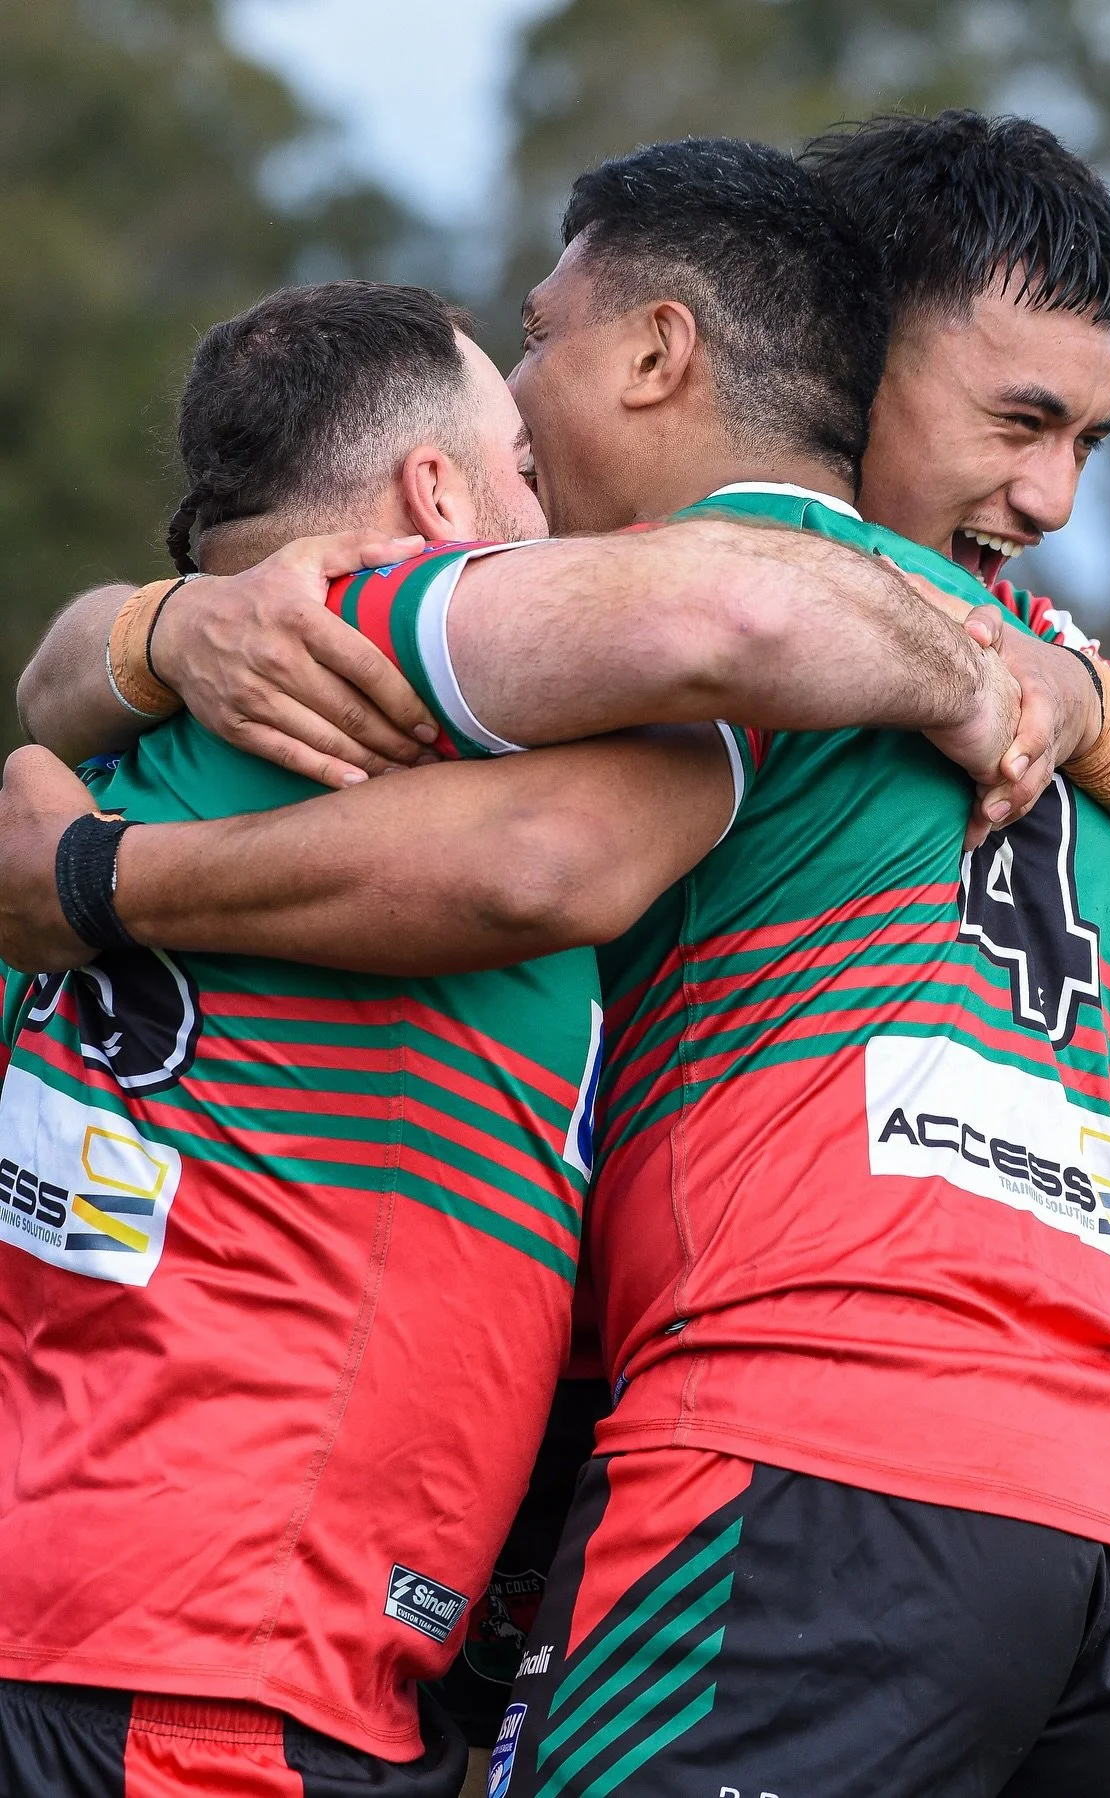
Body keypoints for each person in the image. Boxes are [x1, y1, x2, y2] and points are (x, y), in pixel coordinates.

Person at [3, 135, 1110, 1798]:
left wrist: (106, 824)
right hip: (1105, 1557)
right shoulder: (1065, 741)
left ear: (698, 347)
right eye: (1021, 425)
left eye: (1078, 437)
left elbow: (541, 832)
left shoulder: (704, 623)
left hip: (800, 1490)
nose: (1049, 501)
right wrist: (145, 632)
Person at [0, 266, 1045, 1798]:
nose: (553, 516)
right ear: (439, 496)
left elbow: (63, 671)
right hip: (209, 1659)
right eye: (526, 471)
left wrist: (125, 652)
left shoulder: (141, 719)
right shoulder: (385, 634)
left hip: (151, 1618)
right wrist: (992, 676)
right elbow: (701, 657)